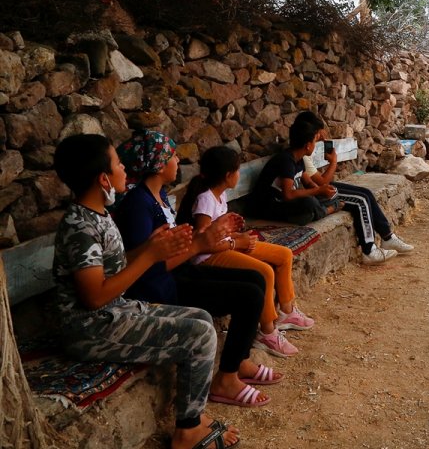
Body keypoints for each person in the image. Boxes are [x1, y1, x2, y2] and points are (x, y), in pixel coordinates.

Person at [52, 134, 240, 449]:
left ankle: (194, 413)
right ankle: (187, 432)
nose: (125, 169)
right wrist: (150, 256)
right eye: (118, 164)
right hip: (90, 328)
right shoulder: (80, 227)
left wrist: (152, 247)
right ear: (103, 179)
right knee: (199, 335)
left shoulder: (97, 215)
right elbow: (93, 297)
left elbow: (112, 268)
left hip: (113, 312)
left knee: (202, 318)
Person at [114, 130, 282, 409]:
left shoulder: (158, 196)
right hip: (158, 288)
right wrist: (201, 244)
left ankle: (240, 362)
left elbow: (175, 246)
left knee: (255, 278)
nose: (177, 161)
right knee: (249, 295)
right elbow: (147, 267)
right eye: (172, 156)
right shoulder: (138, 205)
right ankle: (226, 380)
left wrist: (213, 234)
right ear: (158, 164)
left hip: (176, 273)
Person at [176, 146, 316, 359]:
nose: (239, 174)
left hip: (228, 245)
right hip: (209, 257)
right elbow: (202, 243)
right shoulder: (205, 199)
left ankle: (287, 312)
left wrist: (239, 237)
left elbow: (220, 232)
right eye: (238, 170)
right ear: (228, 175)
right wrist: (236, 243)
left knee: (284, 255)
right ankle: (267, 332)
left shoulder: (219, 195)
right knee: (264, 271)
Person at [294, 111, 415, 265]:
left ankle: (388, 237)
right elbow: (322, 183)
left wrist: (322, 140)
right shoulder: (303, 153)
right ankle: (369, 250)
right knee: (360, 200)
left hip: (319, 189)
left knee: (366, 193)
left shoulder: (303, 148)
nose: (320, 135)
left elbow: (318, 182)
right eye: (317, 133)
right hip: (317, 193)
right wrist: (334, 162)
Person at [247, 118, 342, 227]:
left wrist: (323, 191)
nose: (315, 145)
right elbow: (288, 195)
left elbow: (308, 183)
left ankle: (318, 210)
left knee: (328, 197)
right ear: (308, 145)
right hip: (269, 206)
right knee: (309, 202)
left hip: (286, 204)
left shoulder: (299, 158)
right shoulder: (286, 161)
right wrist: (318, 191)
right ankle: (327, 210)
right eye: (314, 142)